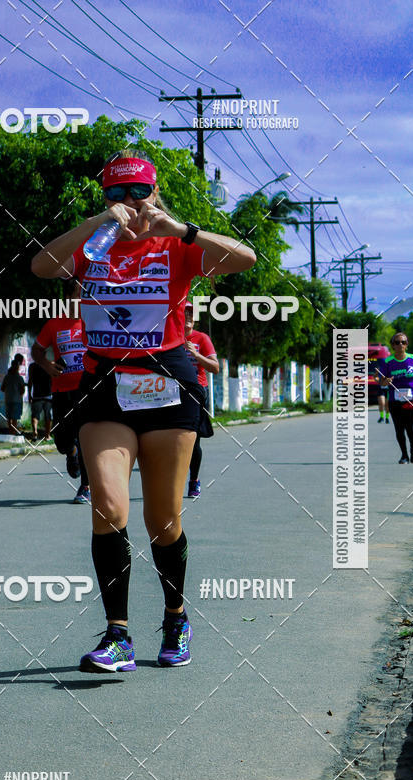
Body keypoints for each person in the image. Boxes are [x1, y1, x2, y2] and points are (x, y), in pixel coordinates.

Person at [31, 149, 255, 672]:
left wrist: (182, 228)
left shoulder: (176, 245)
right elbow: (42, 265)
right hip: (105, 384)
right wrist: (94, 223)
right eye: (116, 193)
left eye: (138, 192)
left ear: (154, 193)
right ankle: (118, 636)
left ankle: (175, 616)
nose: (128, 202)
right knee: (108, 505)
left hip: (166, 384)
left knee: (163, 520)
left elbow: (244, 259)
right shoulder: (93, 246)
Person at [32, 308, 91, 504]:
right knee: (62, 441)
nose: (82, 299)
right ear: (68, 299)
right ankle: (71, 452)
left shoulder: (92, 321)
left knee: (86, 439)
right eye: (78, 294)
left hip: (86, 390)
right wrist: (47, 365)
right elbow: (37, 350)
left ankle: (85, 487)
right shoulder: (55, 324)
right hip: (60, 391)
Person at [184, 301, 218, 498]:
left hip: (196, 392)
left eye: (191, 314)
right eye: (184, 313)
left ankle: (194, 481)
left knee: (193, 441)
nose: (188, 317)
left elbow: (215, 367)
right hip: (172, 392)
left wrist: (195, 354)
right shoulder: (171, 338)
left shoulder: (201, 338)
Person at [379, 333, 413, 463]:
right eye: (397, 342)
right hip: (394, 400)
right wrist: (386, 381)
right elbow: (381, 382)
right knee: (399, 428)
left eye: (403, 342)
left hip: (411, 399)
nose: (400, 345)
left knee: (410, 427)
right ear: (393, 345)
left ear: (407, 344)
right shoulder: (388, 361)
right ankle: (404, 455)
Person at [1, 353, 25, 435]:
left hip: (8, 399)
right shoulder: (19, 378)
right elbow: (22, 390)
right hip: (17, 400)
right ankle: (13, 432)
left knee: (9, 417)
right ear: (17, 367)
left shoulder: (7, 377)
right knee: (15, 418)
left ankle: (11, 431)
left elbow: (2, 388)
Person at [27, 359, 52, 441]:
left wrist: (29, 394)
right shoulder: (49, 364)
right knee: (48, 415)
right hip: (48, 395)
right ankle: (47, 436)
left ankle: (35, 433)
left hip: (36, 395)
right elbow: (53, 379)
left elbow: (30, 381)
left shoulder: (32, 366)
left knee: (35, 415)